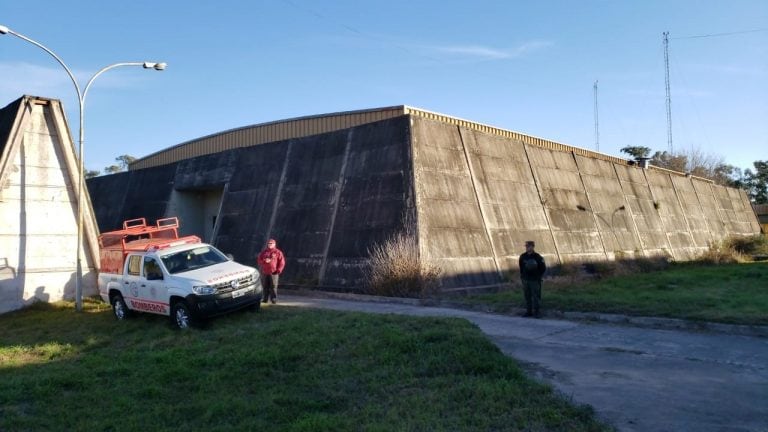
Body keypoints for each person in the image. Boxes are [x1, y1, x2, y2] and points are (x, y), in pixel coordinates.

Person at [519, 240, 546, 318]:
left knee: (536, 296)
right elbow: (521, 267)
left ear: (533, 247)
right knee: (527, 296)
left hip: (534, 280)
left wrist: (538, 276)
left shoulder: (538, 257)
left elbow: (543, 268)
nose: (527, 248)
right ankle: (529, 312)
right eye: (526, 246)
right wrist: (522, 276)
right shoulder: (523, 256)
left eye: (528, 246)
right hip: (525, 280)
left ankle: (537, 312)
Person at [257, 239, 285, 304]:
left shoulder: (278, 252)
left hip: (274, 272)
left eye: (271, 243)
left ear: (274, 244)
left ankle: (273, 299)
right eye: (269, 243)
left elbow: (282, 262)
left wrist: (279, 270)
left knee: (273, 286)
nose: (270, 244)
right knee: (265, 286)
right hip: (265, 272)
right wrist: (264, 261)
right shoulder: (264, 252)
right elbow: (259, 260)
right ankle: (265, 299)